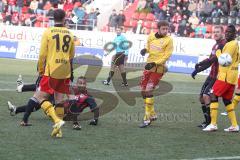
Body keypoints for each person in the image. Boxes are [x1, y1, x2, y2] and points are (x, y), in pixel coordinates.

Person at [12, 9, 74, 138]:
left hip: (52, 71)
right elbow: (72, 55)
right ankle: (59, 131)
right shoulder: (69, 33)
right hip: (65, 71)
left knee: (39, 97)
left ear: (53, 18)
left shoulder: (48, 32)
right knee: (59, 101)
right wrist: (71, 71)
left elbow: (42, 55)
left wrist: (41, 70)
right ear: (64, 18)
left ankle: (57, 121)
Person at [203, 25, 239, 132]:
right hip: (232, 77)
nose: (227, 34)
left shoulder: (230, 45)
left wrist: (218, 51)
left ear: (234, 34)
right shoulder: (236, 44)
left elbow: (223, 60)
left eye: (230, 32)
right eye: (226, 32)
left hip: (225, 76)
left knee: (213, 95)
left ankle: (213, 124)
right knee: (227, 100)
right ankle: (234, 125)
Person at [139, 20, 173, 128]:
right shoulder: (151, 36)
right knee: (143, 92)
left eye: (167, 29)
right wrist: (145, 50)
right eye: (163, 29)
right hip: (148, 66)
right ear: (158, 29)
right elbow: (149, 48)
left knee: (149, 90)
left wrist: (155, 63)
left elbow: (166, 56)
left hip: (158, 68)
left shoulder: (169, 40)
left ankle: (147, 118)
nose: (165, 31)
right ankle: (152, 113)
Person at [191, 25, 226, 128]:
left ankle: (211, 123)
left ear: (222, 33)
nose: (215, 33)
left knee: (207, 96)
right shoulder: (215, 45)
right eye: (214, 32)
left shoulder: (224, 45)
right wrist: (198, 70)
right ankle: (207, 121)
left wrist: (200, 63)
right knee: (201, 98)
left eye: (218, 32)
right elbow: (210, 62)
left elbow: (213, 59)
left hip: (218, 76)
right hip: (211, 75)